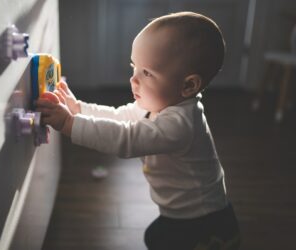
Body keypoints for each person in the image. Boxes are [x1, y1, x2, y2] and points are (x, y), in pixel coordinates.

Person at [36, 11, 240, 250]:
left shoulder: (181, 124)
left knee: (159, 239)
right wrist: (77, 108)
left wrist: (69, 124)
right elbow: (119, 116)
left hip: (202, 221)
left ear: (188, 85)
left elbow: (126, 138)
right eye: (134, 67)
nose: (133, 79)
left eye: (147, 73)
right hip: (178, 212)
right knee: (156, 237)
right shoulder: (159, 104)